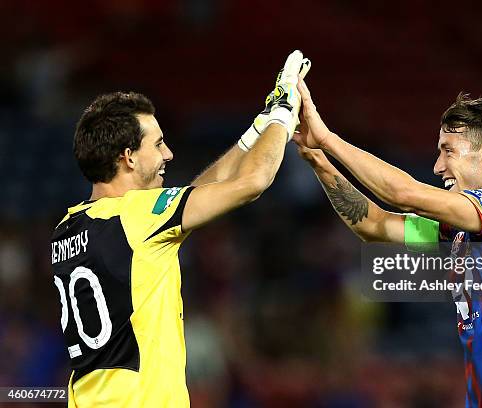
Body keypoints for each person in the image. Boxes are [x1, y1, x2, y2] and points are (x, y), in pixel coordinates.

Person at [50, 50, 309, 407]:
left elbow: (194, 198)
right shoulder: (138, 217)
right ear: (128, 157)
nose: (168, 154)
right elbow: (255, 182)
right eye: (157, 144)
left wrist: (255, 132)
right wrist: (284, 110)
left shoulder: (67, 227)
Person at [293, 79, 482, 407]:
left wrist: (327, 139)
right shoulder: (460, 233)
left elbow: (404, 194)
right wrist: (319, 161)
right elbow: (374, 225)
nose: (438, 166)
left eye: (448, 151)